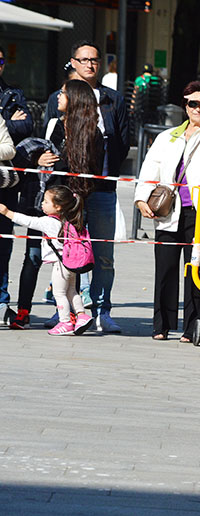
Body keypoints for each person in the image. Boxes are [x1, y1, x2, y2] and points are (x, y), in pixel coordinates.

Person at [134, 81, 200, 342]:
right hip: (169, 211)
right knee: (166, 268)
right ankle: (162, 324)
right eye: (193, 103)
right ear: (185, 105)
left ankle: (194, 326)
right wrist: (140, 200)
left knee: (197, 270)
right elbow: (149, 170)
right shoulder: (167, 136)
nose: (198, 108)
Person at [44, 40, 130, 333]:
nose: (91, 64)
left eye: (95, 60)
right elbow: (50, 139)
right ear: (74, 62)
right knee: (69, 253)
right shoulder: (59, 96)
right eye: (84, 59)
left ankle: (102, 310)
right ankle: (67, 310)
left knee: (104, 254)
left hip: (102, 189)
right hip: (70, 193)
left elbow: (122, 141)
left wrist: (107, 172)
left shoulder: (113, 99)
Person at [10, 79, 104, 330]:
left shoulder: (92, 132)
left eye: (63, 93)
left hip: (71, 207)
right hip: (44, 201)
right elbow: (42, 153)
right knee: (32, 256)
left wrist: (61, 167)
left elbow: (92, 171)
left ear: (75, 99)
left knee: (68, 260)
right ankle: (24, 310)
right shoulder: (53, 124)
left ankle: (73, 314)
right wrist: (39, 158)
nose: (58, 96)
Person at [0, 186, 94, 336]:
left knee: (59, 293)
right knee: (72, 291)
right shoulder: (69, 220)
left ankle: (65, 322)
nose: (42, 204)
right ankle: (81, 315)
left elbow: (28, 221)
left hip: (60, 264)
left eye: (45, 201)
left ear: (57, 206)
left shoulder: (48, 222)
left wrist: (7, 212)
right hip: (71, 264)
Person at [0, 44, 33, 324]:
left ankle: (0, 301)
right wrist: (7, 122)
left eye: (0, 60)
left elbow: (27, 126)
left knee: (3, 243)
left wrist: (4, 127)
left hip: (4, 183)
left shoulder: (13, 93)